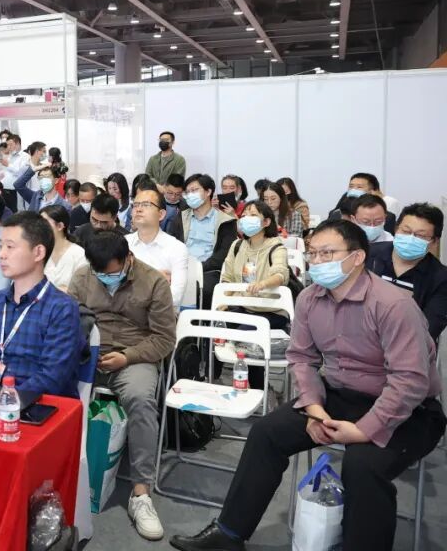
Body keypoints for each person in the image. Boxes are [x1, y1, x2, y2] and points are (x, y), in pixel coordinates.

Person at [171, 220, 445, 551]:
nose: (317, 261)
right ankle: (229, 534)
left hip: (410, 411)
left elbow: (410, 381)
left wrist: (363, 431)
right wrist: (314, 410)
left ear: (357, 257)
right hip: (340, 396)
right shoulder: (310, 299)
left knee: (362, 465)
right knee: (266, 432)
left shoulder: (393, 305)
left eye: (327, 253)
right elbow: (302, 359)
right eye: (313, 253)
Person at [68, 231, 175, 541]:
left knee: (141, 400)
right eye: (100, 274)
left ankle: (141, 492)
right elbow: (68, 322)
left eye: (112, 273)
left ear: (128, 259)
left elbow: (165, 338)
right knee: (54, 390)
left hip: (133, 356)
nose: (106, 278)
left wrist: (127, 357)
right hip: (89, 355)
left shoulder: (152, 282)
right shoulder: (83, 277)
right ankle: (59, 474)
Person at [0, 212, 84, 398]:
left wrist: (6, 401)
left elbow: (52, 377)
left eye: (10, 247)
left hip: (41, 405)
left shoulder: (62, 308)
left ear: (38, 252)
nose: (1, 254)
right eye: (0, 246)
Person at [219, 201, 293, 389]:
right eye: (244, 215)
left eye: (252, 215)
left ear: (266, 222)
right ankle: (217, 381)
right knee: (217, 327)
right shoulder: (237, 245)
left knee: (247, 336)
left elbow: (281, 274)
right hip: (244, 307)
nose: (246, 219)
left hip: (270, 311)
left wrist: (263, 284)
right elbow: (228, 277)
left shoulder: (276, 247)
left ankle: (259, 389)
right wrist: (224, 300)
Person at [365, 203, 447, 344]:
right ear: (396, 229)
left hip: (406, 349)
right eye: (406, 231)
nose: (411, 238)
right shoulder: (367, 254)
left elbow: (427, 330)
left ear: (434, 242)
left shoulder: (441, 279)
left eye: (420, 235)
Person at [168, 173, 238, 305]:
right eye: (187, 192)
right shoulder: (181, 218)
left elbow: (223, 255)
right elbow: (171, 245)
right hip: (181, 268)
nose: (190, 195)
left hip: (209, 270)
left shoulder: (225, 221)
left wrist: (197, 268)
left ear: (208, 192)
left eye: (194, 190)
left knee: (201, 289)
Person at [126, 185, 189, 309]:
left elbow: (175, 298)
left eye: (146, 205)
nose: (138, 209)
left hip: (160, 315)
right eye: (135, 205)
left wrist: (133, 286)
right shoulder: (123, 244)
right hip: (125, 314)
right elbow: (112, 290)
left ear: (161, 214)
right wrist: (154, 280)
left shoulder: (177, 248)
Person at [329, 172, 397, 233]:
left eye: (359, 187)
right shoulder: (337, 212)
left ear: (372, 191)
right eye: (351, 186)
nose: (354, 189)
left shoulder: (388, 216)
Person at [40, 205, 88, 291]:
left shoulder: (78, 254)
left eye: (45, 223)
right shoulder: (40, 252)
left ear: (60, 226)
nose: (39, 227)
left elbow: (82, 289)